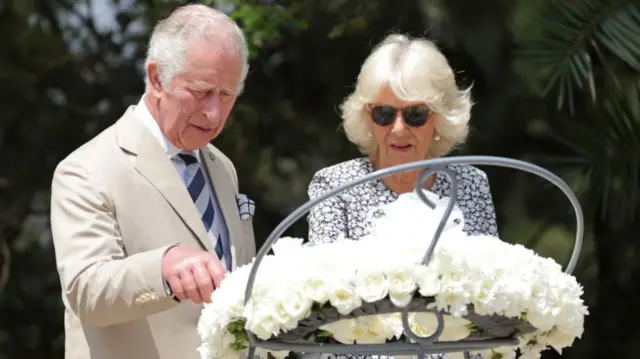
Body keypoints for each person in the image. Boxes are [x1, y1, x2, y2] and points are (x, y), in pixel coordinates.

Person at [49, 5, 256, 359]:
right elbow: (86, 291)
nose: (214, 113)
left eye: (227, 95)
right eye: (202, 91)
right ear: (157, 79)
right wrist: (162, 267)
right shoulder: (85, 169)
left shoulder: (222, 167)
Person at [306, 34, 497, 359]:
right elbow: (323, 312)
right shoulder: (333, 187)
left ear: (438, 117)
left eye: (415, 115)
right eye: (383, 114)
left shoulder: (470, 184)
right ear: (367, 116)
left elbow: (490, 298)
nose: (397, 129)